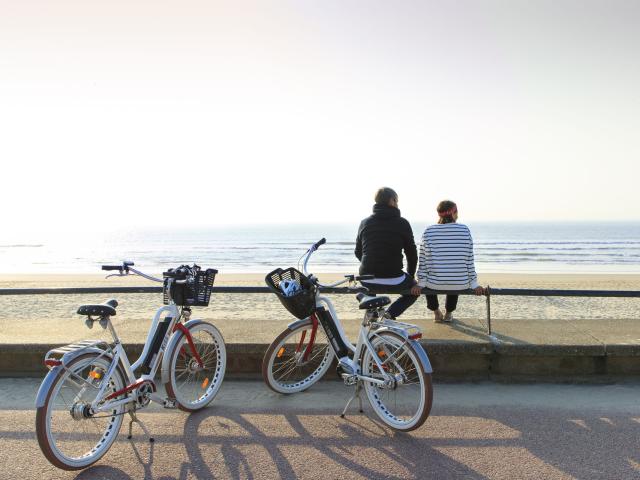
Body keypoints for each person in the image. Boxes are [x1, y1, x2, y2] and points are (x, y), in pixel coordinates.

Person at [411, 200, 484, 322]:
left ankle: (436, 312)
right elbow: (469, 259)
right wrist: (474, 284)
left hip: (434, 283)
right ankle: (449, 313)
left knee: (431, 279)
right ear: (454, 213)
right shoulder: (464, 230)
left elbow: (423, 259)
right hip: (460, 283)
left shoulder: (429, 231)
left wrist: (421, 282)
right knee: (454, 274)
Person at [355, 187, 418, 319]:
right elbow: (412, 254)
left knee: (370, 282)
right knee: (414, 291)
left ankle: (372, 312)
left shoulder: (364, 223)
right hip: (394, 278)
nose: (397, 203)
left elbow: (358, 252)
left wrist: (370, 265)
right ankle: (390, 314)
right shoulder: (402, 223)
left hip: (367, 279)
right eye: (397, 200)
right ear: (392, 201)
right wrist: (411, 277)